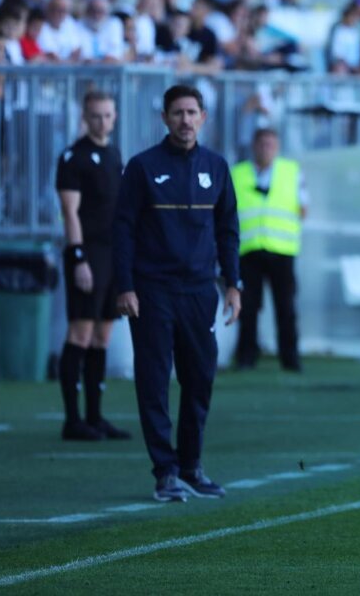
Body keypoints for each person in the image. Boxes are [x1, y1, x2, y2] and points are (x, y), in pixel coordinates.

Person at [113, 84, 241, 503]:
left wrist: (233, 285)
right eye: (178, 113)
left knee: (199, 379)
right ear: (165, 118)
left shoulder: (217, 167)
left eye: (192, 112)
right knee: (153, 382)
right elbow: (123, 231)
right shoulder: (142, 167)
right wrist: (125, 285)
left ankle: (191, 466)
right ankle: (164, 472)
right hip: (152, 291)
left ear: (203, 117)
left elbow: (227, 232)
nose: (185, 120)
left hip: (200, 291)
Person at [55, 91, 131, 442]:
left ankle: (95, 417)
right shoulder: (74, 157)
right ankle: (72, 420)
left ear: (115, 117)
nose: (102, 122)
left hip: (113, 254)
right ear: (85, 118)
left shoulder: (114, 155)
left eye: (107, 115)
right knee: (80, 334)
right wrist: (79, 256)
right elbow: (70, 212)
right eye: (95, 116)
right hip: (89, 254)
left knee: (103, 335)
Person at [231, 128, 305, 371]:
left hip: (282, 249)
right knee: (248, 306)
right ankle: (246, 356)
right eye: (262, 143)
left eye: (271, 144)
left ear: (278, 146)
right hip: (249, 248)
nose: (266, 148)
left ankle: (290, 358)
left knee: (286, 306)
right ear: (254, 145)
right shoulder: (238, 173)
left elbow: (304, 207)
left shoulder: (291, 172)